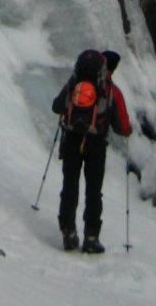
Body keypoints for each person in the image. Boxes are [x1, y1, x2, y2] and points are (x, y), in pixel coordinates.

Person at [51, 48, 131, 253]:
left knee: (70, 185)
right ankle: (91, 238)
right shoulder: (111, 90)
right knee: (93, 191)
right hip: (95, 143)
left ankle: (68, 232)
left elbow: (57, 106)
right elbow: (122, 127)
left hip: (71, 138)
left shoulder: (74, 83)